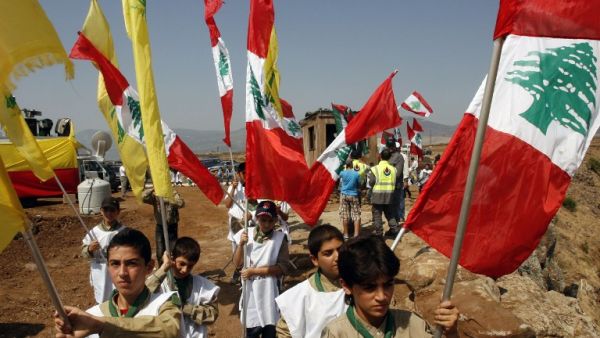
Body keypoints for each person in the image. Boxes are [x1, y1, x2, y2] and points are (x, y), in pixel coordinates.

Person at [321, 235, 460, 337]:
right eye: (369, 288)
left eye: (388, 285)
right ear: (346, 286)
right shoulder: (336, 333)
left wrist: (452, 333)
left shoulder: (413, 324)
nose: (382, 297)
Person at [54, 228, 181, 338]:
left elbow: (170, 330)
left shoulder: (164, 304)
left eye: (131, 263)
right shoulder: (93, 315)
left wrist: (103, 326)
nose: (122, 273)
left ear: (149, 267)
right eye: (115, 264)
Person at [275, 224, 347, 338]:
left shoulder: (363, 286)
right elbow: (285, 332)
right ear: (314, 260)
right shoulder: (299, 296)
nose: (337, 257)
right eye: (328, 253)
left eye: (340, 250)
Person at [233, 200, 290, 338]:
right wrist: (240, 245)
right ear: (257, 218)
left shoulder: (280, 238)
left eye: (270, 221)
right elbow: (237, 264)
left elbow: (283, 267)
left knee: (269, 328)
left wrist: (255, 271)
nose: (266, 224)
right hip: (250, 291)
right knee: (252, 329)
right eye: (263, 220)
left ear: (276, 220)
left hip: (269, 291)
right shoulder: (245, 234)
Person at [147, 237, 220, 338]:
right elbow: (141, 295)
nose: (185, 270)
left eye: (190, 266)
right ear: (172, 258)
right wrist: (163, 268)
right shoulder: (159, 283)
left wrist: (186, 308)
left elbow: (213, 315)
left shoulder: (202, 285)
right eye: (181, 264)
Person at [81, 197, 126, 304]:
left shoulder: (123, 232)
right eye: (106, 210)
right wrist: (89, 249)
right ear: (101, 211)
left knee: (119, 300)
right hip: (100, 273)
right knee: (101, 301)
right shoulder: (93, 232)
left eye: (112, 210)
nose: (109, 213)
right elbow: (83, 252)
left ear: (118, 212)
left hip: (118, 273)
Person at [142, 187, 185, 264]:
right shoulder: (156, 196)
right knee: (160, 252)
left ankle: (172, 271)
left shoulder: (173, 193)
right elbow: (144, 197)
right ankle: (162, 271)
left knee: (172, 250)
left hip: (172, 227)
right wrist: (153, 189)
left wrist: (169, 200)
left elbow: (181, 203)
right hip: (160, 226)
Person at [368, 149, 400, 237]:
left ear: (380, 156)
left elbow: (371, 182)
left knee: (377, 215)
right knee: (390, 214)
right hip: (389, 195)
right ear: (390, 157)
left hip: (378, 195)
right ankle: (395, 230)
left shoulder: (375, 169)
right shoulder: (394, 169)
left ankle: (379, 234)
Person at [338, 160, 361, 239]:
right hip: (353, 195)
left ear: (346, 165)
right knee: (356, 215)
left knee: (345, 215)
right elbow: (359, 184)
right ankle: (356, 235)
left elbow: (338, 177)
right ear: (352, 165)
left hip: (344, 195)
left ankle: (346, 235)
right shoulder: (356, 174)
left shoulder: (342, 173)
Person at [386, 139, 406, 225]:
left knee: (396, 206)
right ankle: (393, 225)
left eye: (391, 146)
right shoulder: (387, 156)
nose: (390, 148)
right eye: (389, 146)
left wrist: (386, 175)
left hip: (396, 185)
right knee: (389, 207)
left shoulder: (399, 157)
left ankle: (396, 226)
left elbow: (398, 173)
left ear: (394, 147)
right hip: (387, 186)